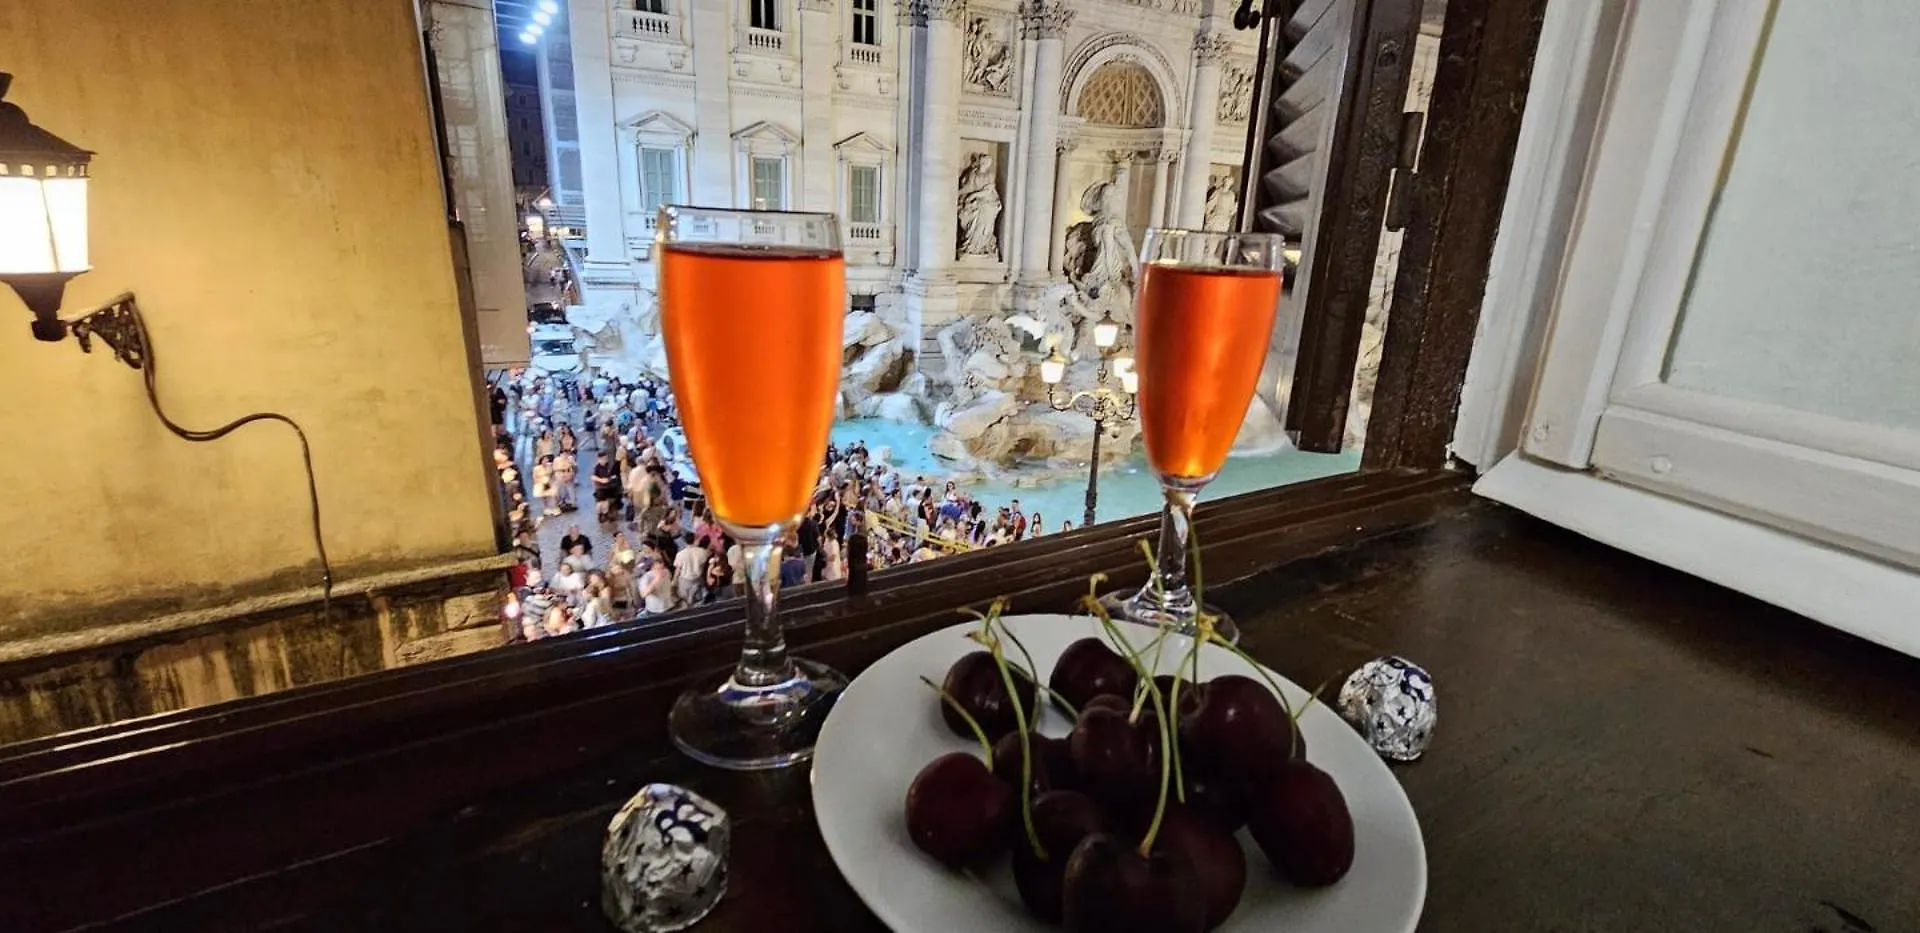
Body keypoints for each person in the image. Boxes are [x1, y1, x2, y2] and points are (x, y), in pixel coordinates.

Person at [637, 540, 676, 616]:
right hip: (655, 609)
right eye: (658, 568)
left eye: (662, 567)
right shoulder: (646, 578)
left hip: (668, 606)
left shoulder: (666, 571)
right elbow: (643, 594)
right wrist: (656, 580)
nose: (661, 570)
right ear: (652, 567)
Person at [673, 532, 709, 608]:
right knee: (698, 600)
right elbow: (703, 566)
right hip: (697, 579)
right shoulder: (702, 551)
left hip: (684, 580)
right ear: (695, 539)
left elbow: (678, 570)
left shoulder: (680, 554)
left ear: (685, 541)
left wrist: (674, 581)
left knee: (685, 601)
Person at [608, 532, 640, 610]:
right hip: (621, 570)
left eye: (622, 536)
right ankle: (629, 605)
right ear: (615, 538)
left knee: (634, 588)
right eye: (619, 536)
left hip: (630, 568)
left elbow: (634, 555)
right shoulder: (613, 548)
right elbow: (610, 560)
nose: (622, 537)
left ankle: (636, 604)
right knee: (626, 589)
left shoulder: (628, 545)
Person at [592, 452, 622, 522]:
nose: (605, 460)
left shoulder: (609, 465)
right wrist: (601, 480)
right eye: (603, 459)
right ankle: (600, 515)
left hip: (610, 487)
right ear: (599, 459)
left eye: (605, 458)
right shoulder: (597, 467)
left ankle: (606, 514)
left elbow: (614, 475)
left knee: (606, 502)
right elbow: (593, 477)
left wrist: (611, 478)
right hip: (600, 488)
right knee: (600, 503)